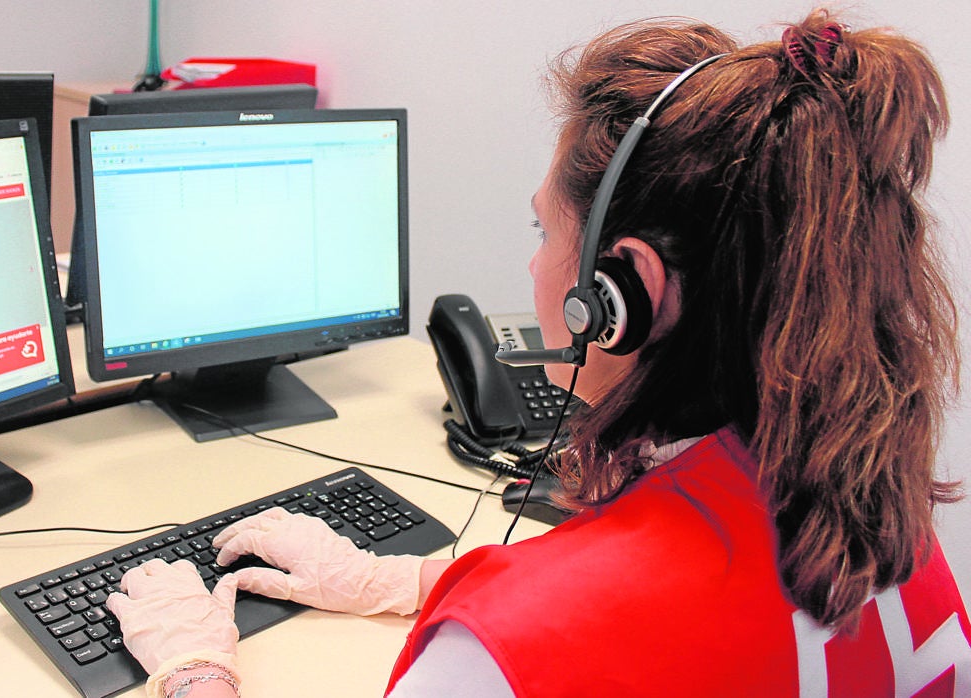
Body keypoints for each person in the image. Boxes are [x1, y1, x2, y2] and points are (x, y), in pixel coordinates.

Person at [105, 9, 971, 697]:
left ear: (622, 291)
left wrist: (195, 673)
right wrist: (399, 581)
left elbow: (596, 626)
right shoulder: (881, 528)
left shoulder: (513, 656)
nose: (533, 265)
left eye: (543, 228)